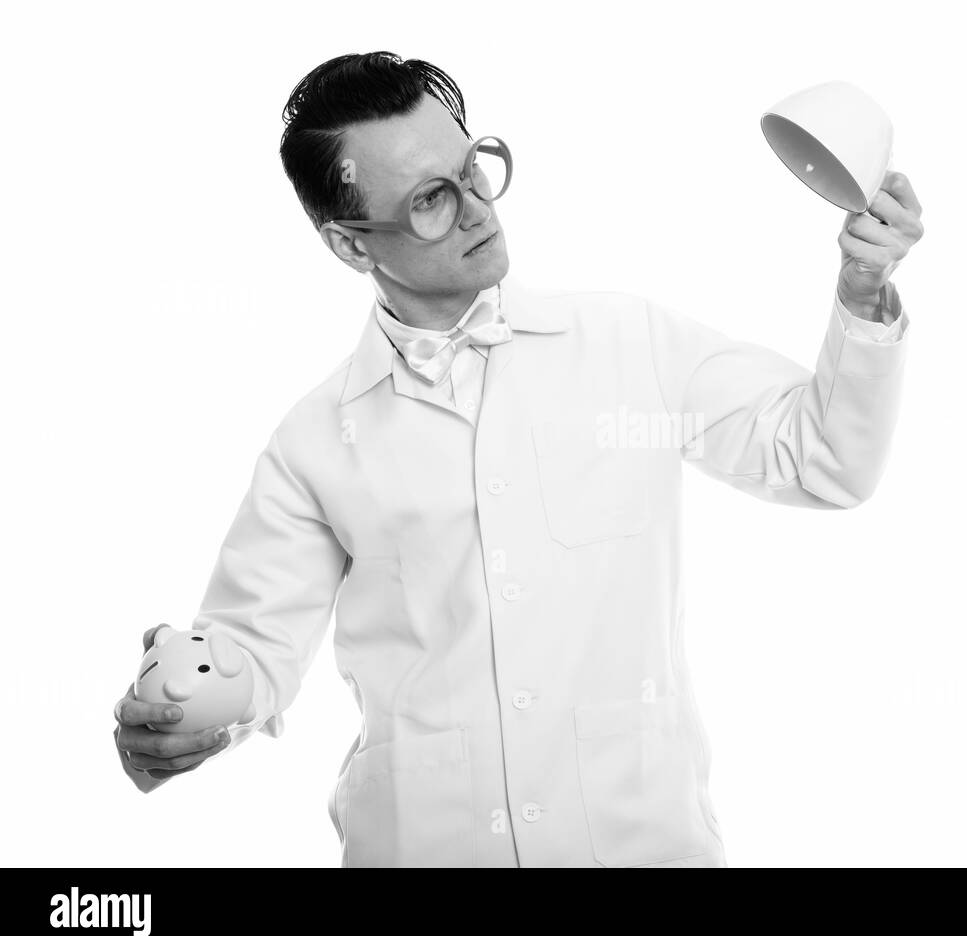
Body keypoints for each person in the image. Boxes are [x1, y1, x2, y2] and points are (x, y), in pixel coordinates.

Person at [112, 51, 924, 867]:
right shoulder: (313, 442)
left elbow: (827, 458)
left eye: (473, 170)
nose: (476, 211)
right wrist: (189, 709)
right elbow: (251, 649)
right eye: (431, 198)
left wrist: (861, 296)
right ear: (350, 245)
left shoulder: (630, 345)